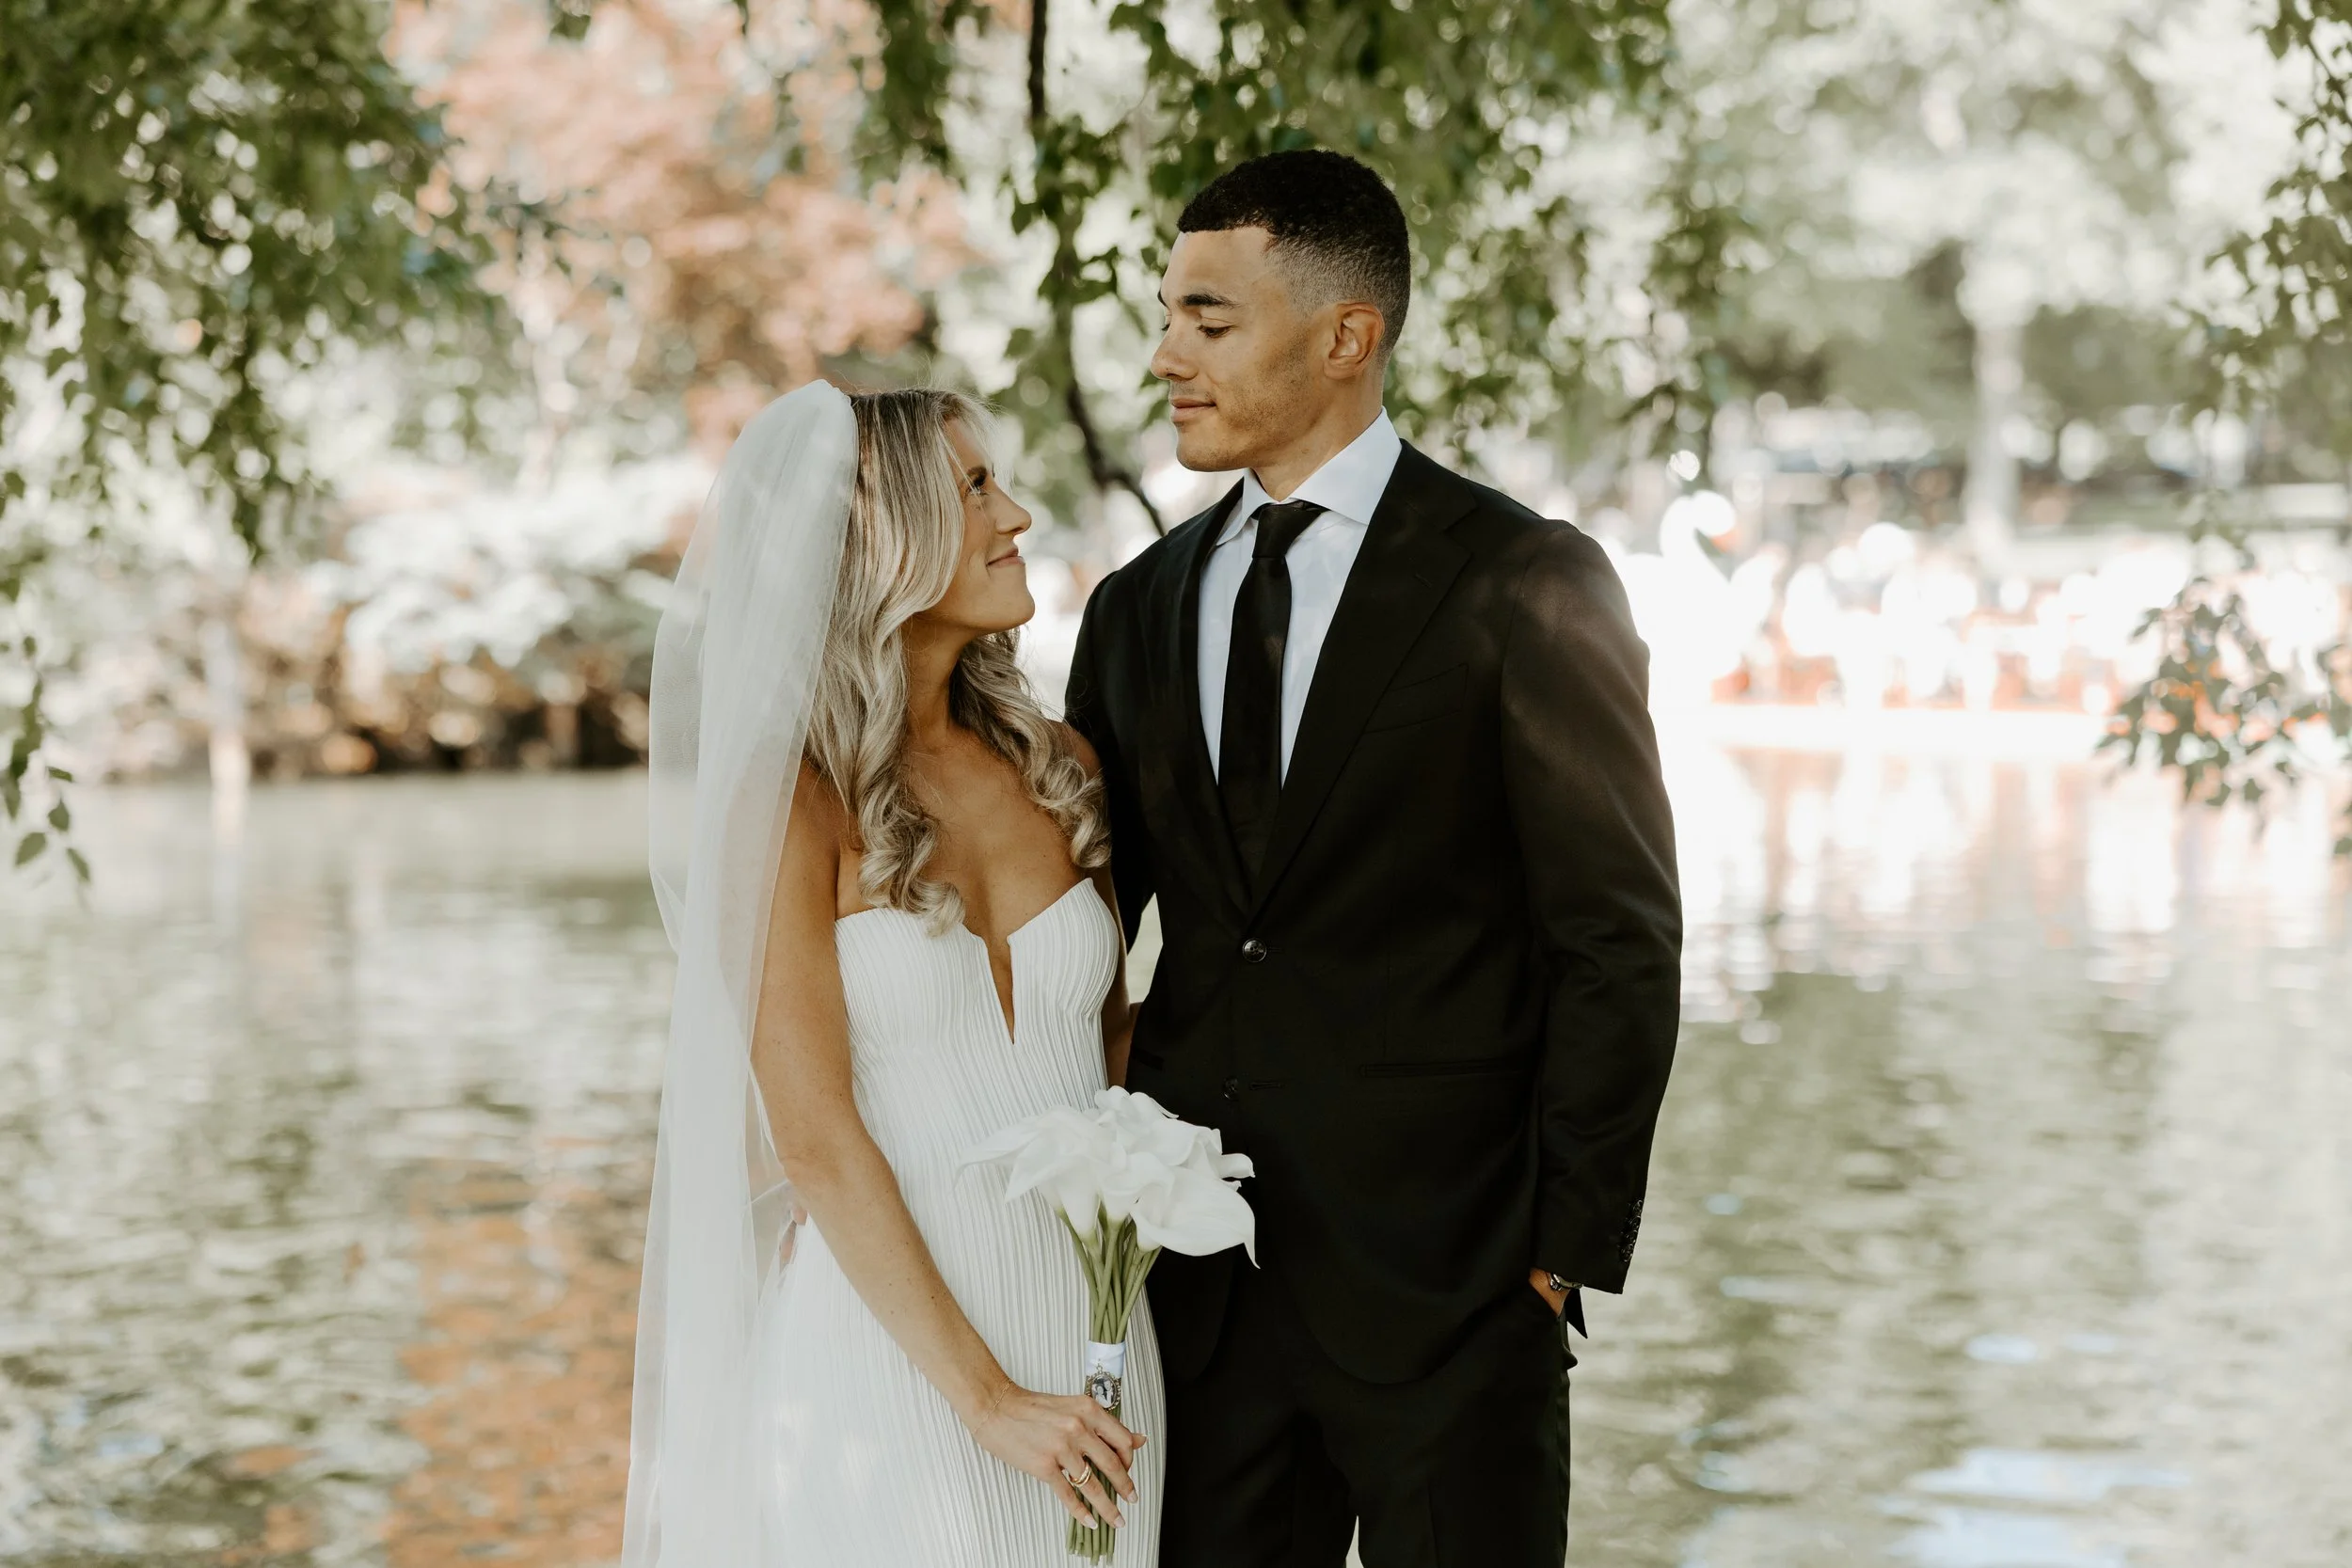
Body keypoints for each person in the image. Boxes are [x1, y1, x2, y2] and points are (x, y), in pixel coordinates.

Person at [1064, 150, 1683, 1567]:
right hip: (1197, 1298)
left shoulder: (1526, 581)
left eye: (1209, 320)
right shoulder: (1137, 609)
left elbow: (1618, 933)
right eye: (1167, 315)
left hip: (1459, 1291)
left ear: (1348, 335)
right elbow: (1085, 930)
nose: (1166, 355)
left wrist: (1559, 1248)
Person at [623, 384, 1161, 1565]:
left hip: (1094, 1351)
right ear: (877, 533)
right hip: (899, 1363)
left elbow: (1116, 1043)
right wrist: (988, 1399)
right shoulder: (789, 801)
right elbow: (813, 1134)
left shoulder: (1059, 765)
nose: (1016, 513)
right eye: (974, 487)